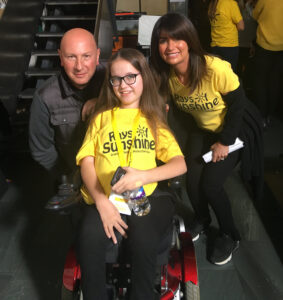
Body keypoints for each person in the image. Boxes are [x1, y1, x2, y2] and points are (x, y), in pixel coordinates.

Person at [150, 12, 263, 265]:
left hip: (233, 129)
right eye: (163, 40)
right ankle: (202, 218)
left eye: (177, 39)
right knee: (191, 179)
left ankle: (229, 234)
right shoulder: (165, 76)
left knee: (211, 184)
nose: (170, 47)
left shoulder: (214, 68)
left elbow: (238, 105)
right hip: (201, 130)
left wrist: (224, 142)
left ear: (189, 39)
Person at [75, 48, 187, 300]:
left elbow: (180, 164)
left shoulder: (153, 119)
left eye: (130, 77)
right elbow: (86, 160)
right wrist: (101, 201)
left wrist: (142, 177)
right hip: (106, 195)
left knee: (143, 238)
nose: (123, 85)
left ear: (143, 78)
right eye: (116, 79)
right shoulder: (101, 118)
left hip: (145, 194)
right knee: (89, 238)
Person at [29, 28, 105, 181]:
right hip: (74, 179)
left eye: (86, 56)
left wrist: (105, 102)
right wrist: (69, 179)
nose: (79, 66)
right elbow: (42, 150)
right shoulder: (45, 97)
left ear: (97, 56)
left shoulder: (115, 79)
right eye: (71, 57)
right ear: (61, 58)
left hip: (120, 177)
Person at [251, 0, 283, 128]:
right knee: (275, 81)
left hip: (264, 46)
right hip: (281, 48)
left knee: (260, 82)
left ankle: (262, 116)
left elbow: (254, 15)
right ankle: (269, 114)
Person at [208, 0, 244, 72]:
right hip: (229, 46)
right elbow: (241, 26)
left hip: (215, 46)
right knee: (229, 77)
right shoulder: (230, 3)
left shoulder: (212, 4)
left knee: (218, 75)